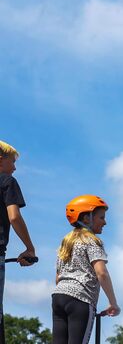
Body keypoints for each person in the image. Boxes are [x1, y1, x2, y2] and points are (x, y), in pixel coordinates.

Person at [52, 195, 121, 344]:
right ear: (86, 218)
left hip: (59, 297)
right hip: (81, 299)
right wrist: (113, 303)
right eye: (101, 217)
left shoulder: (66, 242)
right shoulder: (92, 241)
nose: (105, 222)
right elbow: (101, 273)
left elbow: (58, 277)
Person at [0, 140, 37, 341]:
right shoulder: (7, 181)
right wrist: (29, 248)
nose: (14, 167)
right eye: (12, 162)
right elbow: (14, 216)